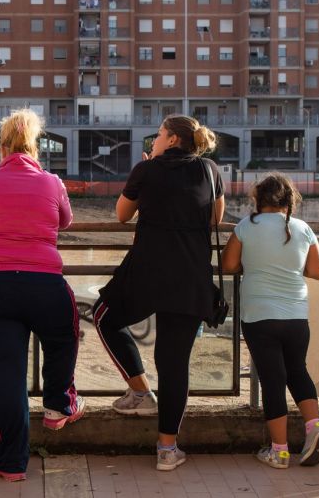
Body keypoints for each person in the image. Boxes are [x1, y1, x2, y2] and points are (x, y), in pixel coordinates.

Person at [93, 114, 224, 471]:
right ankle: (167, 449)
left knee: (104, 317)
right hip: (190, 276)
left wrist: (147, 175)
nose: (154, 140)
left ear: (171, 140)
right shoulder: (210, 170)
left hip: (148, 271)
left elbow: (122, 214)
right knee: (173, 363)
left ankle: (139, 390)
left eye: (159, 135)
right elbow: (214, 219)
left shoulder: (145, 170)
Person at [0, 109, 82, 483]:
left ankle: (11, 463)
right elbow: (65, 221)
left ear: (2, 148)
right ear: (36, 148)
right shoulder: (51, 182)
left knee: (6, 374)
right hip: (42, 282)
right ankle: (57, 404)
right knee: (64, 334)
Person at [220, 173, 319, 469]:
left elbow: (228, 265)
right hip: (296, 314)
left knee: (272, 380)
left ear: (258, 199)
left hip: (259, 314)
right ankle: (314, 426)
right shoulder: (302, 227)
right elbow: (318, 270)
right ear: (289, 200)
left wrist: (254, 263)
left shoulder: (247, 227)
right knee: (297, 371)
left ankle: (279, 451)